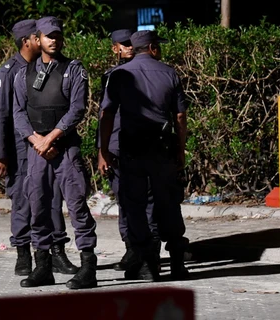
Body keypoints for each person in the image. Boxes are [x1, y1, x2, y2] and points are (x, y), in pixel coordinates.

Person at [12, 16, 98, 289]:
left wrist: (51, 138)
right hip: (37, 151)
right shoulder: (22, 74)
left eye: (58, 35)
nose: (54, 40)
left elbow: (77, 109)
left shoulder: (74, 69)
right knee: (37, 206)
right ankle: (43, 267)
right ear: (37, 39)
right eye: (49, 36)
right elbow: (17, 113)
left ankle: (88, 268)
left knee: (76, 206)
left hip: (65, 149)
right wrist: (37, 140)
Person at [0, 18, 77, 277]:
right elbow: (0, 115)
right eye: (37, 37)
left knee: (52, 199)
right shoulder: (8, 72)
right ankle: (24, 255)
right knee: (23, 201)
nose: (43, 40)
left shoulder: (46, 68)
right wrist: (0, 154)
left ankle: (56, 253)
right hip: (19, 150)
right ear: (27, 41)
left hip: (46, 146)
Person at [99, 30, 189, 281]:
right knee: (168, 204)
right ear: (151, 48)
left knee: (135, 207)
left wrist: (103, 150)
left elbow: (106, 115)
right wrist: (180, 150)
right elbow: (180, 117)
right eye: (158, 46)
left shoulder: (117, 75)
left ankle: (149, 264)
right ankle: (178, 264)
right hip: (161, 150)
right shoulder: (169, 72)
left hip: (130, 150)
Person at [97, 29, 162, 272]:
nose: (128, 48)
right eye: (123, 45)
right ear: (115, 48)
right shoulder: (112, 76)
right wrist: (101, 150)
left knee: (148, 202)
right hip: (116, 144)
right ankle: (132, 249)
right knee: (124, 200)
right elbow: (104, 116)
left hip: (140, 144)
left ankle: (150, 251)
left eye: (131, 44)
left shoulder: (146, 72)